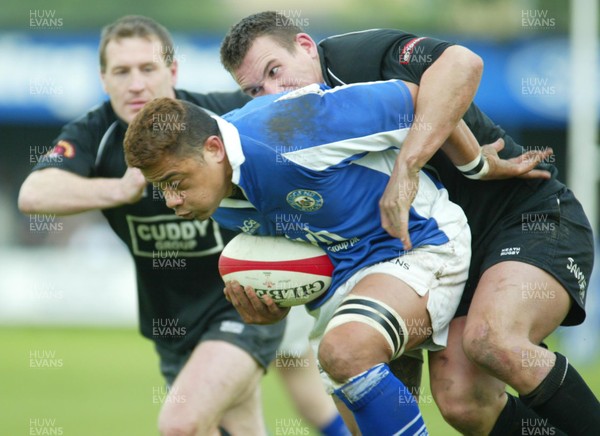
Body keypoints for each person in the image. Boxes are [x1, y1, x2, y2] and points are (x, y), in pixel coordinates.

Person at [218, 12, 599, 436]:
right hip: (416, 250)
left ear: (306, 47)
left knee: (492, 339)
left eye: (275, 71)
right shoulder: (267, 134)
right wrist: (273, 300)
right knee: (460, 401)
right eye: (254, 90)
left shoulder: (353, 58)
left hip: (521, 216)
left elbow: (462, 63)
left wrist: (412, 167)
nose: (272, 92)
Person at [123, 79, 480, 434]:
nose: (170, 201)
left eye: (176, 181)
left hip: (420, 244)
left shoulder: (291, 127)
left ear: (215, 149)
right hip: (341, 291)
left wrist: (474, 164)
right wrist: (274, 305)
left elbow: (417, 98)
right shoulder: (213, 197)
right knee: (360, 420)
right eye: (161, 188)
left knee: (345, 350)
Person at [18, 15, 310, 436]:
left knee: (181, 424)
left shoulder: (221, 116)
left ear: (172, 71)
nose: (135, 84)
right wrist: (118, 191)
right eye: (121, 71)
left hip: (242, 307)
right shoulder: (95, 134)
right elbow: (34, 195)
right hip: (171, 326)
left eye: (148, 68)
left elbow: (300, 128)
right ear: (103, 79)